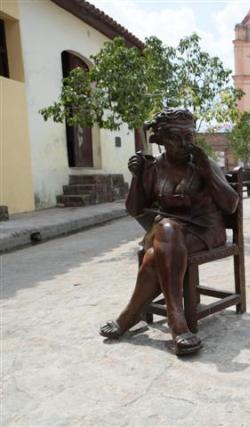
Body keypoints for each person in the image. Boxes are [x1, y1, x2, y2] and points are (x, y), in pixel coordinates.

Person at [99, 108, 239, 356]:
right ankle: (177, 323)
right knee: (166, 231)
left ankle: (134, 317)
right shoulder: (154, 169)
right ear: (160, 140)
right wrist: (137, 177)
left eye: (190, 136)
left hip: (206, 230)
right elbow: (134, 209)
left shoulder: (202, 164)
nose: (185, 143)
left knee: (156, 253)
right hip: (168, 233)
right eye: (176, 137)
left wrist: (207, 167)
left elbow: (231, 204)